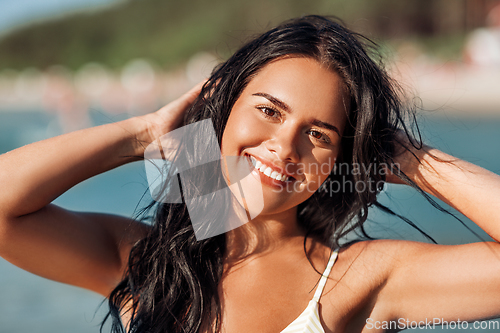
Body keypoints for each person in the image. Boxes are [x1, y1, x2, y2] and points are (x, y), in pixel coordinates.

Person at [1, 15, 499, 333]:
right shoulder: (144, 264)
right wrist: (146, 134)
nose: (284, 147)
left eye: (319, 134)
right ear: (224, 107)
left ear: (340, 161)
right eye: (268, 110)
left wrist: (413, 159)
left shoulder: (357, 278)